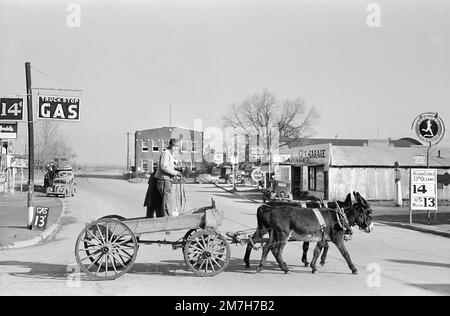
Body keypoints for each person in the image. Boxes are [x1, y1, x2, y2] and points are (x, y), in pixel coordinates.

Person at [155, 138, 182, 216]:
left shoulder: (169, 154)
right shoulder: (166, 153)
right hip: (164, 180)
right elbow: (164, 166)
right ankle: (167, 218)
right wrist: (175, 173)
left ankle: (166, 216)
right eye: (175, 146)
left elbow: (168, 166)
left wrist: (176, 168)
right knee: (167, 200)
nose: (176, 148)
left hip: (166, 180)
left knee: (167, 200)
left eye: (178, 146)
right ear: (171, 145)